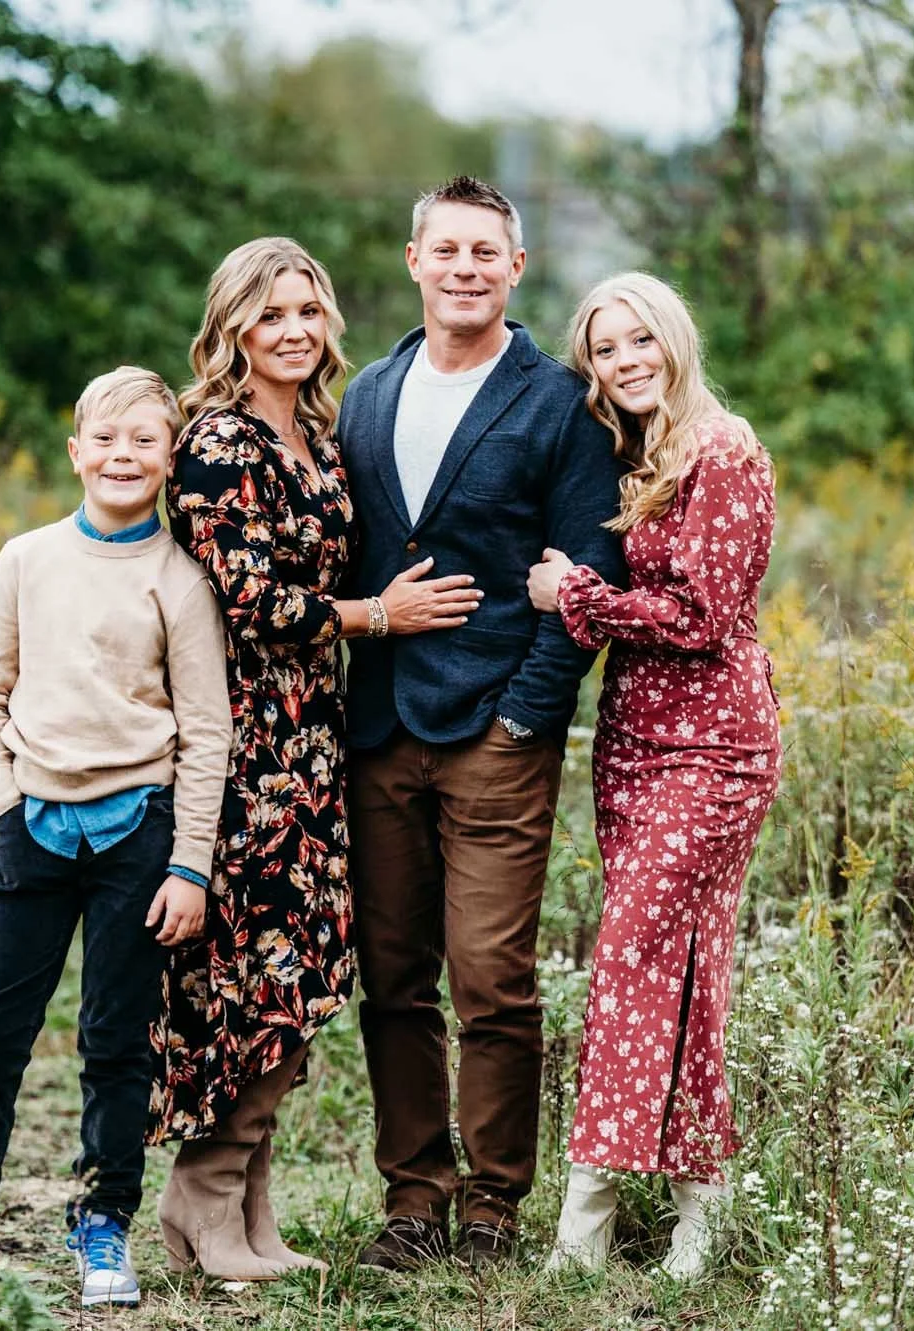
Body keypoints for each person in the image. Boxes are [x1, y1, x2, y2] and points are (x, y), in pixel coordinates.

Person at [150, 236, 482, 1280]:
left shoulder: (318, 432)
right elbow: (246, 599)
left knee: (300, 969)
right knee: (252, 971)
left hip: (313, 735)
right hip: (243, 738)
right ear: (233, 327)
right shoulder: (218, 440)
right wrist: (374, 616)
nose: (293, 331)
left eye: (307, 310)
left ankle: (246, 1213)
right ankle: (200, 1203)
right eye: (270, 314)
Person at [0, 366, 231, 1310]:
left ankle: (104, 1223)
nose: (123, 456)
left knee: (118, 1042)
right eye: (106, 440)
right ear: (76, 451)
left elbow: (206, 733)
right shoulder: (26, 559)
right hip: (33, 827)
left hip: (140, 838)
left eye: (144, 442)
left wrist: (189, 861)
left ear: (169, 459)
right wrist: (4, 806)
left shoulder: (179, 581)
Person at [335, 177, 627, 1269]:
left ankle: (495, 1203)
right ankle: (411, 1196)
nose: (463, 267)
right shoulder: (366, 392)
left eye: (484, 252)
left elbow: (584, 567)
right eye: (444, 248)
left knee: (491, 977)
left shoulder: (557, 401)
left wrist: (524, 715)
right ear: (412, 259)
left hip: (494, 732)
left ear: (514, 268)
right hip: (375, 728)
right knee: (393, 972)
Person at [530, 271, 782, 1282]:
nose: (623, 359)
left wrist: (573, 592)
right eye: (603, 347)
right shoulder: (638, 450)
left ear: (673, 339)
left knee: (631, 959)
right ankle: (699, 1209)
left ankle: (581, 1228)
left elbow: (698, 618)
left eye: (639, 339)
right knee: (675, 971)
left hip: (713, 749)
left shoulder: (723, 450)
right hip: (634, 745)